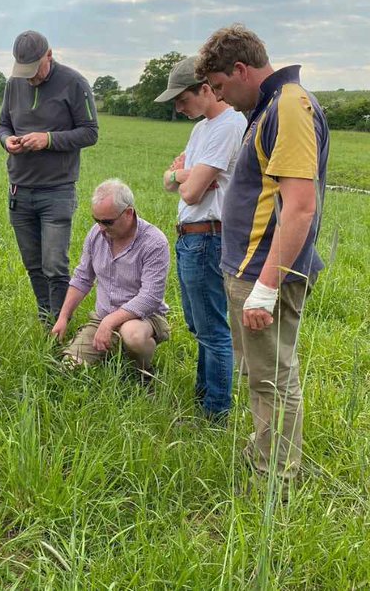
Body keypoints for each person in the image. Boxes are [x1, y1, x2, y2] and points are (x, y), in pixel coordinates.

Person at [195, 24, 330, 480]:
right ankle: (266, 452)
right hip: (251, 268)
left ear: (240, 69)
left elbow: (300, 205)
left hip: (264, 271)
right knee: (261, 374)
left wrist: (267, 287)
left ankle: (277, 478)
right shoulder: (270, 105)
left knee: (272, 376)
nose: (221, 97)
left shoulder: (288, 105)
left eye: (219, 86)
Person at [155, 56, 245, 420]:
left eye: (182, 99)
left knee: (212, 328)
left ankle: (215, 410)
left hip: (209, 236)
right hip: (190, 236)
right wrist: (183, 176)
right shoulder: (201, 129)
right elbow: (169, 180)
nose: (178, 107)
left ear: (206, 89)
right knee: (198, 322)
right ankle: (205, 394)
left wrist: (182, 177)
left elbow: (189, 192)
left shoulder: (229, 125)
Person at [0, 30, 98, 325]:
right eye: (23, 70)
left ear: (49, 56)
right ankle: (46, 319)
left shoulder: (75, 83)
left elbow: (91, 132)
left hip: (56, 191)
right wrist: (7, 141)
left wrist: (49, 140)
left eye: (34, 70)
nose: (29, 78)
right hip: (19, 190)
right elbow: (3, 124)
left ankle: (59, 322)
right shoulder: (14, 84)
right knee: (33, 265)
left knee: (54, 264)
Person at [51, 180, 170, 385]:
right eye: (96, 220)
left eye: (107, 222)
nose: (101, 227)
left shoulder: (154, 242)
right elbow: (82, 278)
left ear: (129, 213)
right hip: (103, 316)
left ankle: (144, 373)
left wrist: (110, 322)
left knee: (132, 336)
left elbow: (150, 297)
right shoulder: (96, 234)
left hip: (144, 318)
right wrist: (63, 317)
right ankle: (112, 350)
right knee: (68, 369)